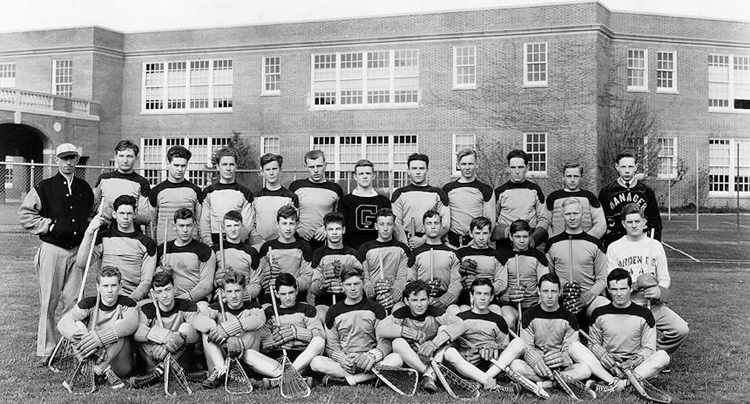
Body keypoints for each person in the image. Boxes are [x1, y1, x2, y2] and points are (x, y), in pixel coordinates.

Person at [18, 143, 95, 366]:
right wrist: (48, 226)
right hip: (53, 250)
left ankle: (75, 348)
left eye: (72, 158)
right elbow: (25, 215)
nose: (68, 162)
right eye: (64, 158)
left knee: (73, 303)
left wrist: (86, 227)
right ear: (56, 160)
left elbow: (91, 212)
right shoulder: (45, 187)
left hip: (77, 251)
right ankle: (46, 350)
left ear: (77, 160)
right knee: (48, 302)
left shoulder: (84, 188)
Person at [606, 203, 688, 355]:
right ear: (623, 224)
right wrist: (636, 284)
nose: (634, 225)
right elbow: (611, 282)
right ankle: (640, 355)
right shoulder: (614, 247)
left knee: (681, 329)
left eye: (637, 221)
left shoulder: (655, 246)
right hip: (627, 305)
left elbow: (664, 277)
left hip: (653, 304)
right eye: (630, 222)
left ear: (644, 222)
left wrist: (658, 291)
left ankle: (654, 353)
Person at [509, 273, 596, 391]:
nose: (549, 296)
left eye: (553, 291)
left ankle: (545, 384)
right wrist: (538, 361)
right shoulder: (529, 315)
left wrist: (561, 359)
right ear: (538, 292)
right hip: (537, 365)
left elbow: (570, 350)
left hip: (561, 366)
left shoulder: (569, 317)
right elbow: (527, 349)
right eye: (545, 291)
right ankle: (557, 382)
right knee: (516, 366)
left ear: (559, 292)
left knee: (585, 370)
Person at [57, 266, 139, 390]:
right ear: (98, 287)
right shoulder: (88, 304)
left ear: (120, 286)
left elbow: (131, 324)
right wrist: (89, 342)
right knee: (77, 326)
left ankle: (99, 369)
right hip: (94, 354)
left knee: (120, 328)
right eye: (105, 286)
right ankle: (96, 370)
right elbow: (63, 323)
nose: (110, 290)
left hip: (119, 362)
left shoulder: (128, 304)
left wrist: (100, 339)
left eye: (113, 285)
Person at [376, 280, 466, 393]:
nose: (419, 305)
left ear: (429, 299)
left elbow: (460, 324)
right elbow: (381, 328)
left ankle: (428, 374)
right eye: (414, 300)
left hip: (433, 357)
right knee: (397, 342)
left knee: (444, 331)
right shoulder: (402, 313)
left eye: (423, 300)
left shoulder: (435, 312)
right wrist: (408, 332)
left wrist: (434, 343)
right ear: (406, 301)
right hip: (411, 360)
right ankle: (428, 374)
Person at [310, 266, 393, 386]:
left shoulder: (376, 308)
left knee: (396, 359)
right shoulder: (333, 311)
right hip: (346, 363)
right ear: (342, 286)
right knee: (316, 362)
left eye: (356, 284)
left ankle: (349, 380)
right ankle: (370, 378)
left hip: (370, 361)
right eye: (348, 284)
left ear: (363, 284)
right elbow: (331, 346)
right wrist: (342, 359)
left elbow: (385, 342)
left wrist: (371, 356)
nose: (353, 288)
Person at [129, 272, 214, 388]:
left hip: (181, 359)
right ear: (153, 294)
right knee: (143, 336)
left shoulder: (187, 305)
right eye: (159, 291)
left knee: (187, 328)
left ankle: (158, 373)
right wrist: (167, 337)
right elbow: (137, 332)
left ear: (174, 288)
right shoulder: (147, 309)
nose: (164, 295)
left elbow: (196, 329)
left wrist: (171, 344)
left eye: (167, 289)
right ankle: (180, 374)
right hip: (155, 356)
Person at [588, 268, 671, 386]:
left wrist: (633, 362)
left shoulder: (645, 314)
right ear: (608, 290)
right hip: (607, 365)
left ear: (631, 289)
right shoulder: (598, 313)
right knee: (575, 348)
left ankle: (623, 384)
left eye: (623, 289)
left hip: (635, 367)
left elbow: (649, 349)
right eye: (614, 289)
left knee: (663, 356)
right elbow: (592, 344)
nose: (619, 294)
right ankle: (616, 380)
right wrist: (604, 357)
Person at [443, 278, 526, 391]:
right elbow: (453, 345)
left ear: (491, 297)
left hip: (490, 366)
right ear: (472, 296)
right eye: (478, 293)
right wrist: (468, 353)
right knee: (449, 352)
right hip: (465, 366)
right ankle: (485, 381)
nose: (482, 298)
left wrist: (494, 347)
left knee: (519, 342)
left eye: (486, 294)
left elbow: (504, 351)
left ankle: (482, 380)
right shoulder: (460, 318)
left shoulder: (499, 320)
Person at [79, 195, 157, 302]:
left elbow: (146, 282)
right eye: (122, 213)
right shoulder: (104, 237)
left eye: (129, 213)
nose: (125, 217)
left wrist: (130, 301)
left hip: (135, 299)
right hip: (108, 298)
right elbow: (81, 263)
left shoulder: (147, 243)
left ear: (134, 214)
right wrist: (89, 232)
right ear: (114, 214)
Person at [253, 273, 326, 388]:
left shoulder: (307, 309)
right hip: (277, 361)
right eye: (283, 294)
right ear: (276, 294)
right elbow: (263, 343)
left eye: (291, 292)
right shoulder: (270, 312)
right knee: (249, 354)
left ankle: (281, 379)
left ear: (296, 291)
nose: (287, 297)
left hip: (302, 359)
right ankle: (293, 377)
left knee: (319, 341)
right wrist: (276, 340)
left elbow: (319, 334)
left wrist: (295, 333)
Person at [545, 198, 609, 327]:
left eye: (575, 213)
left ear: (582, 214)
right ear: (563, 215)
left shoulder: (594, 243)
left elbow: (602, 279)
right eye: (568, 214)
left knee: (605, 307)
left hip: (588, 299)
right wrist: (560, 294)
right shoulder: (552, 244)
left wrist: (586, 298)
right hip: (561, 299)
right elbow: (548, 277)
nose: (572, 217)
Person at [199, 271, 267, 389]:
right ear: (223, 292)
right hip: (220, 360)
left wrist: (227, 330)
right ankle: (221, 369)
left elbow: (258, 320)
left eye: (237, 291)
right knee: (206, 331)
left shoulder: (254, 307)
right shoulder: (216, 307)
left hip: (244, 362)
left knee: (251, 331)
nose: (234, 296)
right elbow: (200, 321)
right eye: (229, 291)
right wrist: (225, 336)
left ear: (244, 291)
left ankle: (225, 372)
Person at [598, 151, 662, 248]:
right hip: (615, 242)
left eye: (630, 167)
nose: (627, 171)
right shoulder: (606, 192)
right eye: (623, 167)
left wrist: (655, 244)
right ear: (617, 167)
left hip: (640, 242)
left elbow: (655, 221)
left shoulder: (646, 192)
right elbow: (601, 221)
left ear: (636, 167)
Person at [309, 212, 364, 322]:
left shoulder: (353, 254)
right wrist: (323, 282)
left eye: (338, 229)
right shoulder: (318, 254)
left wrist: (343, 282)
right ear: (325, 231)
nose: (334, 233)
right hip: (324, 302)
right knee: (320, 316)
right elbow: (313, 288)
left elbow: (361, 282)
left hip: (349, 300)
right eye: (331, 229)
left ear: (343, 230)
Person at [491, 149, 548, 253]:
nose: (517, 171)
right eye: (513, 167)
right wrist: (506, 232)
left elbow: (543, 219)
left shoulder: (535, 190)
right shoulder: (500, 192)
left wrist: (532, 240)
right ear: (508, 168)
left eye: (521, 167)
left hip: (528, 243)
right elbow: (491, 219)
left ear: (527, 167)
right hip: (505, 246)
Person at [257, 205, 313, 306]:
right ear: (277, 224)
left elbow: (307, 278)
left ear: (297, 224)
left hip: (296, 298)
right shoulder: (267, 247)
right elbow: (260, 275)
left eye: (291, 223)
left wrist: (289, 286)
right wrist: (265, 278)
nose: (288, 228)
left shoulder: (304, 247)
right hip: (272, 298)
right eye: (284, 223)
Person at [498, 219, 548, 333]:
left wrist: (540, 301)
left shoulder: (539, 257)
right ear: (511, 237)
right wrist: (509, 295)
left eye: (525, 237)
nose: (521, 241)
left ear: (530, 237)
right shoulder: (504, 258)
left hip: (533, 304)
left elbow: (545, 285)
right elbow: (501, 287)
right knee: (508, 319)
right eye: (517, 236)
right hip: (511, 305)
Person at [391, 153, 450, 249]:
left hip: (431, 243)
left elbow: (445, 224)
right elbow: (396, 223)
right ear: (408, 171)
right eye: (414, 168)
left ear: (427, 170)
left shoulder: (438, 193)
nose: (418, 172)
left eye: (421, 168)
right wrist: (406, 244)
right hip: (407, 243)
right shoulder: (399, 194)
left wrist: (423, 239)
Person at [156, 208, 216, 303]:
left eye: (188, 225)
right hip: (167, 300)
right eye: (181, 226)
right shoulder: (162, 250)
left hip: (196, 301)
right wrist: (159, 272)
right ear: (174, 226)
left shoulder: (204, 251)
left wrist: (182, 300)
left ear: (194, 226)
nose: (185, 230)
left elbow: (206, 286)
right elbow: (153, 280)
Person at [406, 210, 461, 311]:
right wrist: (422, 294)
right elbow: (410, 281)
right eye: (429, 223)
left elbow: (456, 282)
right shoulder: (415, 254)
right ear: (423, 227)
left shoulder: (452, 253)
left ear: (441, 226)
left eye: (436, 223)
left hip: (446, 302)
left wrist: (445, 300)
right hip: (421, 300)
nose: (433, 226)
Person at [289, 150, 343, 252]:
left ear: (325, 165)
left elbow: (338, 216)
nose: (316, 170)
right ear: (305, 166)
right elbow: (289, 213)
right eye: (311, 167)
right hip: (300, 240)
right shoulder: (296, 186)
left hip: (326, 241)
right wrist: (298, 229)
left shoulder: (335, 189)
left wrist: (325, 228)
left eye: (319, 166)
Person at [149, 145, 203, 245]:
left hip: (191, 245)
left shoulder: (195, 190)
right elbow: (152, 223)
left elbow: (199, 221)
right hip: (164, 245)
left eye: (183, 166)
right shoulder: (156, 191)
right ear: (168, 164)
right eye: (176, 165)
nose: (180, 169)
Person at [200, 147, 255, 247]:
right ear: (217, 166)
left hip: (237, 244)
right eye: (224, 164)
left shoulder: (245, 193)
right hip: (214, 243)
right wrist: (209, 245)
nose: (228, 168)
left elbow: (247, 224)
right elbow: (204, 223)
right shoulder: (208, 192)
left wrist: (236, 243)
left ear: (236, 166)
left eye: (231, 164)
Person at [358, 208, 410, 312]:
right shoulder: (365, 248)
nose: (385, 228)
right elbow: (364, 277)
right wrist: (372, 292)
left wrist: (393, 295)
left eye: (389, 224)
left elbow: (402, 277)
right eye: (381, 224)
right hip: (373, 298)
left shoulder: (402, 248)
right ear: (376, 226)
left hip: (395, 299)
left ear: (394, 226)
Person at [442, 149, 496, 249]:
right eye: (464, 164)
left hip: (476, 243)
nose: (467, 168)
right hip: (452, 242)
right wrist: (446, 241)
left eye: (470, 164)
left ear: (476, 165)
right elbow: (444, 219)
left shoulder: (486, 189)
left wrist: (475, 240)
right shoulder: (447, 189)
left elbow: (490, 221)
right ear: (458, 165)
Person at [455, 216, 507, 314]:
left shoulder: (497, 256)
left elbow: (502, 284)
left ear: (490, 234)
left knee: (496, 313)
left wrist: (482, 286)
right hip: (466, 297)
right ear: (470, 234)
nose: (482, 237)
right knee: (464, 315)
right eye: (477, 233)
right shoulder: (460, 253)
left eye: (485, 233)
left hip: (489, 298)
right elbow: (454, 280)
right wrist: (463, 280)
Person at [94, 140, 151, 227]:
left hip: (131, 233)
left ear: (136, 158)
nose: (125, 160)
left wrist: (126, 213)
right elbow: (93, 206)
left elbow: (146, 217)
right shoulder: (104, 179)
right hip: (105, 230)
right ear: (115, 157)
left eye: (129, 156)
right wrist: (104, 211)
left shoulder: (142, 182)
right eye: (121, 156)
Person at [337, 159, 392, 249]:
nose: (365, 176)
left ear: (373, 176)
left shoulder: (384, 201)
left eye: (368, 173)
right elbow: (341, 226)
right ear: (355, 176)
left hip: (377, 250)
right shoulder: (345, 201)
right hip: (352, 249)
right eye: (361, 174)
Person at [249, 153, 299, 248]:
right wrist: (259, 241)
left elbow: (294, 223)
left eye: (274, 169)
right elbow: (251, 224)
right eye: (267, 169)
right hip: (259, 245)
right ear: (262, 171)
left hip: (283, 245)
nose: (271, 173)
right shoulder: (255, 197)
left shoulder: (291, 197)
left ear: (280, 170)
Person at [546, 163, 605, 239]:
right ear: (563, 177)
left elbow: (601, 224)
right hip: (559, 245)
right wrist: (553, 241)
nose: (572, 180)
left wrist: (587, 241)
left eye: (576, 176)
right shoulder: (553, 197)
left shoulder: (590, 197)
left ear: (581, 177)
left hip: (585, 246)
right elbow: (545, 223)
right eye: (569, 176)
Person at [213, 210, 262, 303]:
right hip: (221, 298)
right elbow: (208, 282)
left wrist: (242, 295)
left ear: (242, 226)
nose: (233, 229)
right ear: (223, 228)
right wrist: (215, 282)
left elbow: (256, 284)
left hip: (245, 299)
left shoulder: (251, 252)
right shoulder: (214, 251)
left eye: (236, 225)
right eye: (229, 226)